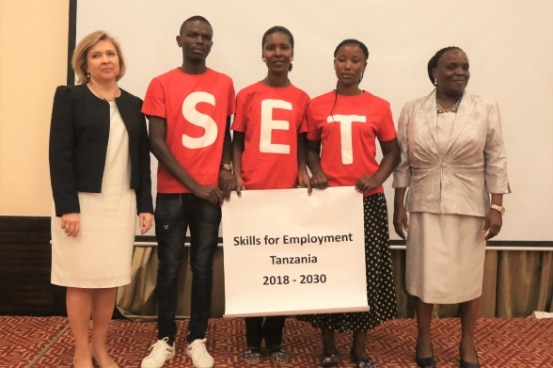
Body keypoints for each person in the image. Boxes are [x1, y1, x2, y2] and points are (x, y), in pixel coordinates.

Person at [392, 46, 510, 368]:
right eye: (451, 67)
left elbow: (496, 158)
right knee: (423, 277)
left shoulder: (485, 107)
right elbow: (402, 162)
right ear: (434, 73)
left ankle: (467, 342)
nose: (460, 72)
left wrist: (496, 206)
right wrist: (398, 204)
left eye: (465, 67)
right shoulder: (412, 109)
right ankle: (424, 337)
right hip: (425, 204)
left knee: (469, 279)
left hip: (470, 204)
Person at [48, 31, 153, 368]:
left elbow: (141, 158)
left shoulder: (134, 104)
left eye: (111, 54)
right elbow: (59, 156)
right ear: (85, 64)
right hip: (81, 205)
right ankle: (80, 350)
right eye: (97, 55)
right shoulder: (70, 98)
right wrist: (68, 207)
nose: (106, 60)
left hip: (120, 204)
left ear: (119, 62)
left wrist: (145, 205)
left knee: (109, 280)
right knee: (79, 280)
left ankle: (100, 347)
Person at [139, 16, 235, 368]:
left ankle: (197, 338)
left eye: (205, 37)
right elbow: (156, 142)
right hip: (173, 194)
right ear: (179, 39)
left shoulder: (224, 83)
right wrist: (195, 184)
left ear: (212, 43)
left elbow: (225, 135)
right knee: (168, 267)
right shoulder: (161, 83)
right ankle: (164, 339)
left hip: (209, 195)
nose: (199, 40)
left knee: (204, 267)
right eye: (192, 35)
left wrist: (226, 169)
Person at [301, 39, 400, 368]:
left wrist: (377, 178)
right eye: (342, 59)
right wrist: (316, 172)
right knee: (328, 273)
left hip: (366, 202)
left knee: (365, 276)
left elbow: (392, 152)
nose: (348, 65)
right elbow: (311, 150)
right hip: (330, 203)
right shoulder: (316, 105)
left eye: (355, 60)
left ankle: (359, 347)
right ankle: (328, 346)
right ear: (333, 63)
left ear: (364, 66)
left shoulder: (379, 106)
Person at [231, 25, 310, 365]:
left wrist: (303, 170)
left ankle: (275, 339)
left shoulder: (302, 98)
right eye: (271, 47)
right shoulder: (247, 95)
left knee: (281, 270)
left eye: (284, 47)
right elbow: (236, 143)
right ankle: (252, 339)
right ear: (262, 54)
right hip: (251, 194)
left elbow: (305, 145)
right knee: (253, 270)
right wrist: (235, 174)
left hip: (286, 197)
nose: (278, 52)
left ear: (292, 54)